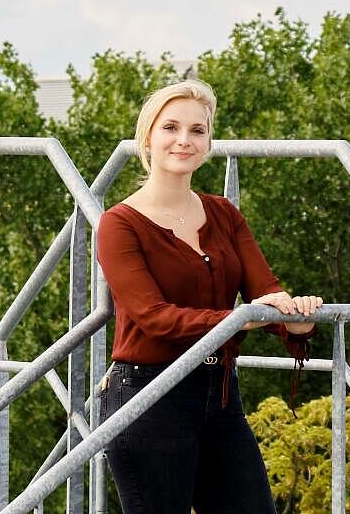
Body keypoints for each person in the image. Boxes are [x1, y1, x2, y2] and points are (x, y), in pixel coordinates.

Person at [96, 78, 322, 514]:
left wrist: (294, 318)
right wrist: (241, 319)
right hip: (148, 395)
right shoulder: (119, 223)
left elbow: (266, 291)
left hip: (219, 394)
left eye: (197, 131)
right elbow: (153, 317)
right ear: (148, 137)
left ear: (208, 142)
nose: (184, 140)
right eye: (171, 128)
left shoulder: (223, 213)